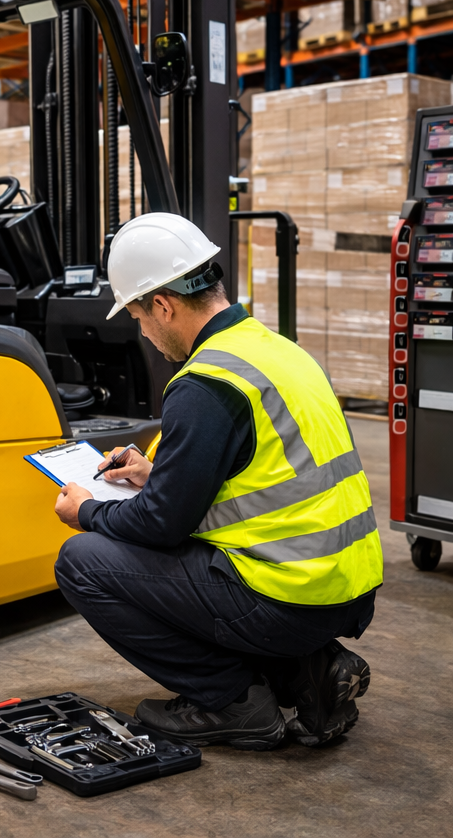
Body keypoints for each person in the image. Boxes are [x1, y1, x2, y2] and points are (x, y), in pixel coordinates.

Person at [53, 213, 382, 750]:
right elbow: (267, 478)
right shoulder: (278, 351)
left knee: (84, 562)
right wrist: (155, 472)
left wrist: (87, 509)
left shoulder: (206, 383)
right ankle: (305, 670)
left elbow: (162, 525)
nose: (142, 331)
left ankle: (232, 701)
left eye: (138, 315)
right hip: (345, 586)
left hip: (290, 595)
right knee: (193, 560)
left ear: (163, 305)